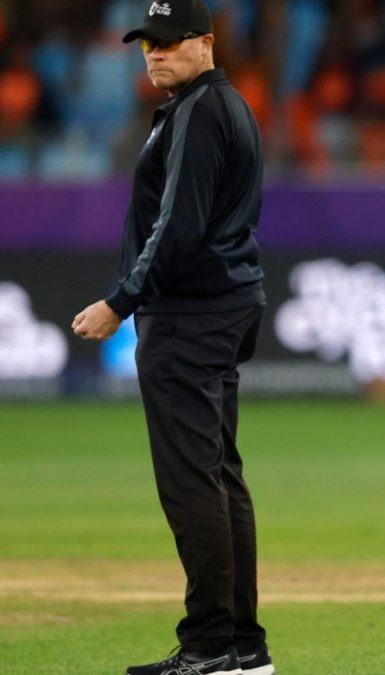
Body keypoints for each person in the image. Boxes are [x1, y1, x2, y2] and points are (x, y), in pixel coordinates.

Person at [70, 1, 273, 674]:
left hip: (191, 314)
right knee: (218, 475)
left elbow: (178, 224)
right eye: (146, 43)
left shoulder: (200, 110)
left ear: (206, 42)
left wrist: (121, 300)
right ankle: (242, 648)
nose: (154, 53)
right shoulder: (222, 105)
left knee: (191, 482)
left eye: (168, 41)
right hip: (222, 305)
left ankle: (210, 646)